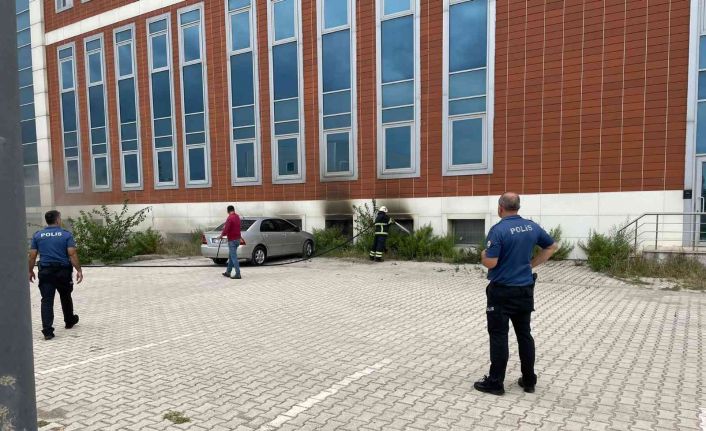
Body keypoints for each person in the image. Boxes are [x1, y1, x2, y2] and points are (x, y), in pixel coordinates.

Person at [474, 193, 558, 395]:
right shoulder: (531, 227)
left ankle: (496, 382)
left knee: (499, 335)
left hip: (502, 291)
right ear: (518, 207)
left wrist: (483, 255)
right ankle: (529, 380)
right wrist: (531, 265)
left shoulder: (498, 230)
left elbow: (491, 262)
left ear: (500, 208)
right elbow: (551, 246)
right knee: (524, 335)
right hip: (525, 289)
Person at [28, 210, 83, 340]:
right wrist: (79, 270)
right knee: (65, 295)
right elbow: (72, 254)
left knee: (47, 300)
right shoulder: (66, 235)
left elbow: (32, 256)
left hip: (45, 271)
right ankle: (69, 321)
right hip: (63, 271)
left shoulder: (38, 235)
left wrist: (30, 271)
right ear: (58, 220)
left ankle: (47, 331)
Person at [221, 205, 242, 279]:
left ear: (228, 211)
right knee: (231, 256)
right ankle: (228, 272)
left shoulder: (230, 218)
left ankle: (238, 274)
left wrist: (222, 235)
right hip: (237, 239)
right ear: (234, 210)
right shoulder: (237, 217)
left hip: (232, 240)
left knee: (234, 257)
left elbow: (226, 228)